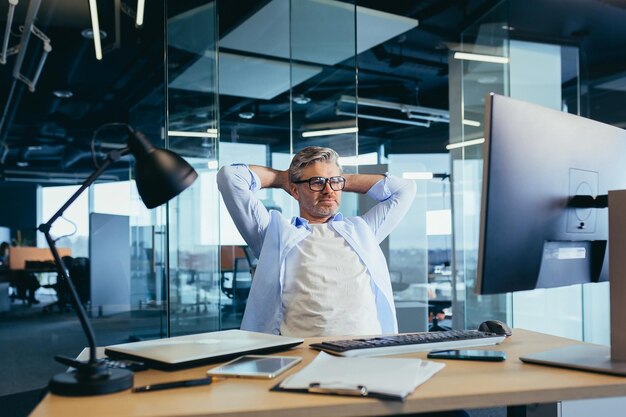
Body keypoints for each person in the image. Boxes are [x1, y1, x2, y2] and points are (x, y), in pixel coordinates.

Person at [217, 146, 416, 337]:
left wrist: (338, 179)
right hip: (303, 355)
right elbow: (230, 177)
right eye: (318, 183)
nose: (328, 191)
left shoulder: (362, 231)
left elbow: (405, 189)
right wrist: (282, 178)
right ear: (294, 191)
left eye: (335, 182)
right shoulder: (274, 235)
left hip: (366, 352)